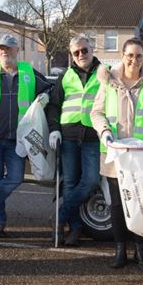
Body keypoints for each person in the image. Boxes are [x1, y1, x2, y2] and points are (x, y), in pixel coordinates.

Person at [90, 38, 143, 269]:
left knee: (142, 202)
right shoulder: (109, 81)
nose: (134, 60)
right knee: (117, 204)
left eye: (139, 56)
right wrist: (104, 131)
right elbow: (97, 113)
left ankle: (140, 250)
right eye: (130, 55)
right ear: (122, 56)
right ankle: (120, 250)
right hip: (117, 154)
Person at [0, 33, 53, 238]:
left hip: (18, 140)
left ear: (17, 50)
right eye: (2, 49)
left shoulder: (29, 73)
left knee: (14, 178)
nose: (5, 52)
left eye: (9, 48)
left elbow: (51, 88)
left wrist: (45, 97)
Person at [46, 35, 104, 246]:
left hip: (93, 136)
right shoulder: (66, 75)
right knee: (69, 183)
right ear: (71, 54)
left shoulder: (104, 72)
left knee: (90, 180)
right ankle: (75, 228)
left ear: (92, 49)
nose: (81, 55)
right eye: (76, 52)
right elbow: (54, 105)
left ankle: (59, 216)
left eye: (84, 50)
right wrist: (54, 129)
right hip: (68, 136)